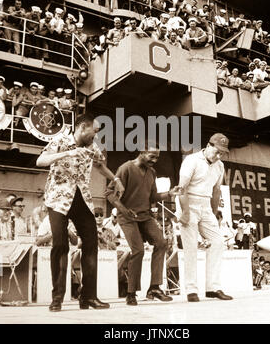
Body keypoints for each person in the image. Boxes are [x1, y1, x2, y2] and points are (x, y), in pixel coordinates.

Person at [36, 112, 125, 312]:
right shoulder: (60, 140)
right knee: (60, 245)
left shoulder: (92, 147)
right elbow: (40, 161)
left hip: (82, 199)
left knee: (91, 244)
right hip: (58, 198)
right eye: (94, 131)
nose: (96, 135)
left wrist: (116, 180)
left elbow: (100, 165)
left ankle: (89, 297)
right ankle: (57, 297)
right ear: (83, 128)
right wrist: (67, 153)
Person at [106, 143, 183, 306]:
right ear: (142, 152)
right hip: (127, 216)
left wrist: (169, 193)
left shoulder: (152, 172)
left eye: (157, 157)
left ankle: (154, 288)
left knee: (161, 243)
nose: (154, 160)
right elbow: (109, 194)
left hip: (144, 215)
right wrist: (124, 210)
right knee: (138, 250)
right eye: (152, 156)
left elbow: (153, 196)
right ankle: (131, 293)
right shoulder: (125, 168)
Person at [177, 133, 233, 302]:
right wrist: (185, 212)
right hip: (188, 201)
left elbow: (216, 191)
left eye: (222, 153)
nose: (219, 155)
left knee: (218, 242)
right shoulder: (191, 160)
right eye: (217, 151)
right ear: (208, 145)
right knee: (191, 247)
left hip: (206, 205)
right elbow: (182, 188)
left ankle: (213, 288)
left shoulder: (220, 166)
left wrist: (214, 215)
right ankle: (191, 290)